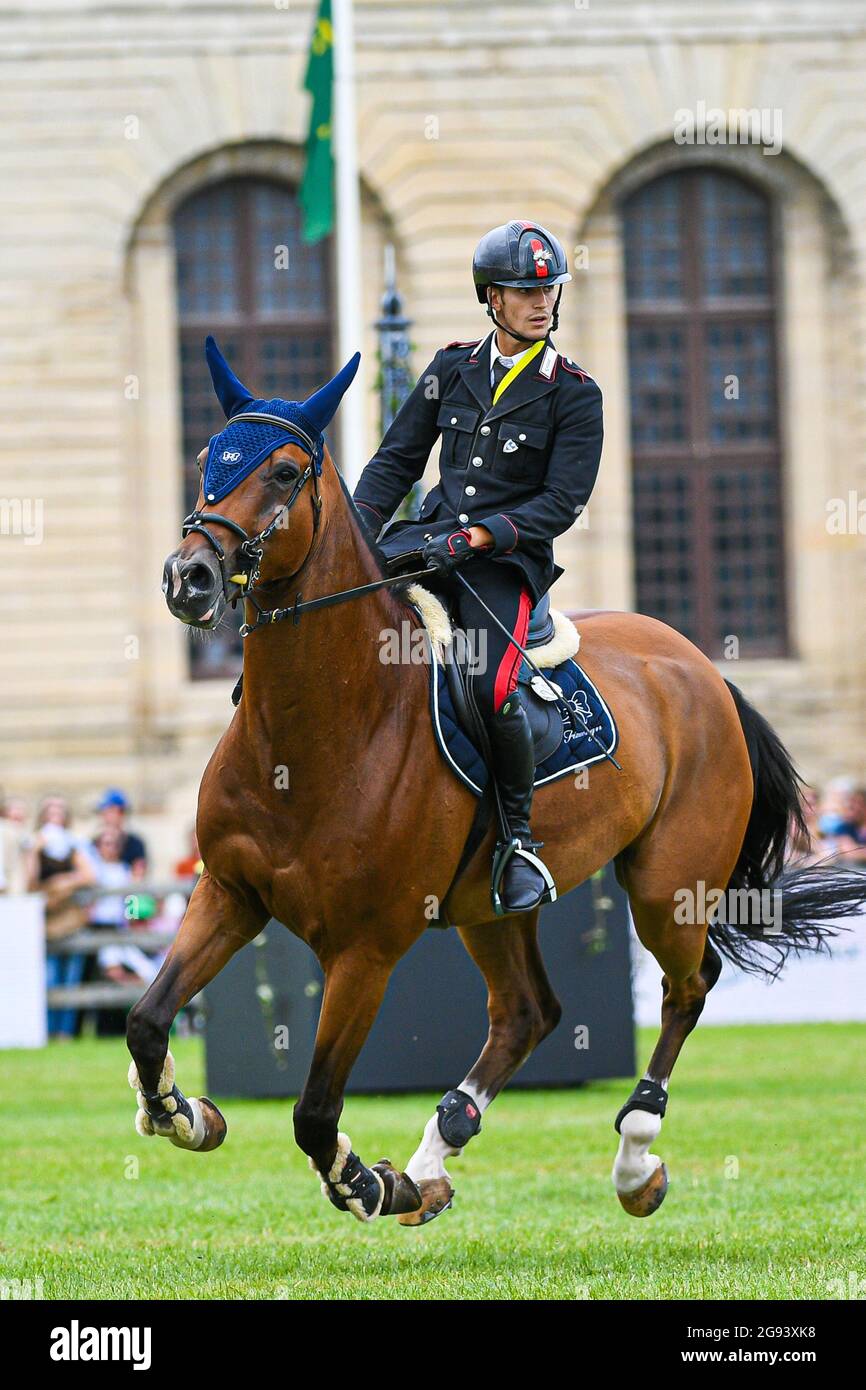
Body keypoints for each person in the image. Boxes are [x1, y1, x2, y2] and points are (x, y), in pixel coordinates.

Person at [353, 220, 604, 912]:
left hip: (503, 567)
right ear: (491, 298)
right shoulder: (449, 369)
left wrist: (484, 539)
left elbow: (562, 502)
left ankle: (518, 841)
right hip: (427, 540)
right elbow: (396, 461)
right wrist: (357, 534)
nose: (541, 301)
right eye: (525, 291)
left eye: (548, 289)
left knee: (491, 687)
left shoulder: (575, 394)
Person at [23, 794, 95, 1039]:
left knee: (70, 981)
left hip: (70, 921)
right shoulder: (33, 846)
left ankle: (65, 1032)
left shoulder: (72, 846)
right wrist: (35, 850)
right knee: (49, 980)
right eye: (50, 813)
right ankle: (48, 1031)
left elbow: (88, 875)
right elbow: (29, 882)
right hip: (44, 923)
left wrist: (61, 883)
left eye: (59, 813)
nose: (55, 819)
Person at [94, 789, 148, 874]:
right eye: (104, 811)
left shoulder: (135, 843)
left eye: (110, 811)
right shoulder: (94, 843)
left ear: (122, 813)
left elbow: (139, 875)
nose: (105, 815)